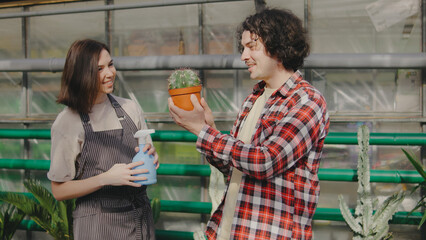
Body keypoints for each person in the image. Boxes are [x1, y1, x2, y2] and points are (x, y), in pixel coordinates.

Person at [168, 8, 329, 240]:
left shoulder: (306, 101)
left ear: (279, 46)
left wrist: (202, 131)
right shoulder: (255, 98)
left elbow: (266, 161)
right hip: (233, 229)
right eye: (242, 48)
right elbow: (234, 168)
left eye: (251, 47)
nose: (243, 56)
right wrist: (209, 129)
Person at [47, 39, 158, 240]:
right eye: (99, 69)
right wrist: (105, 179)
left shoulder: (130, 108)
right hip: (98, 226)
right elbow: (58, 190)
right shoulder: (67, 122)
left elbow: (147, 151)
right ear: (81, 73)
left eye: (110, 64)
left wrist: (152, 156)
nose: (109, 73)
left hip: (139, 221)